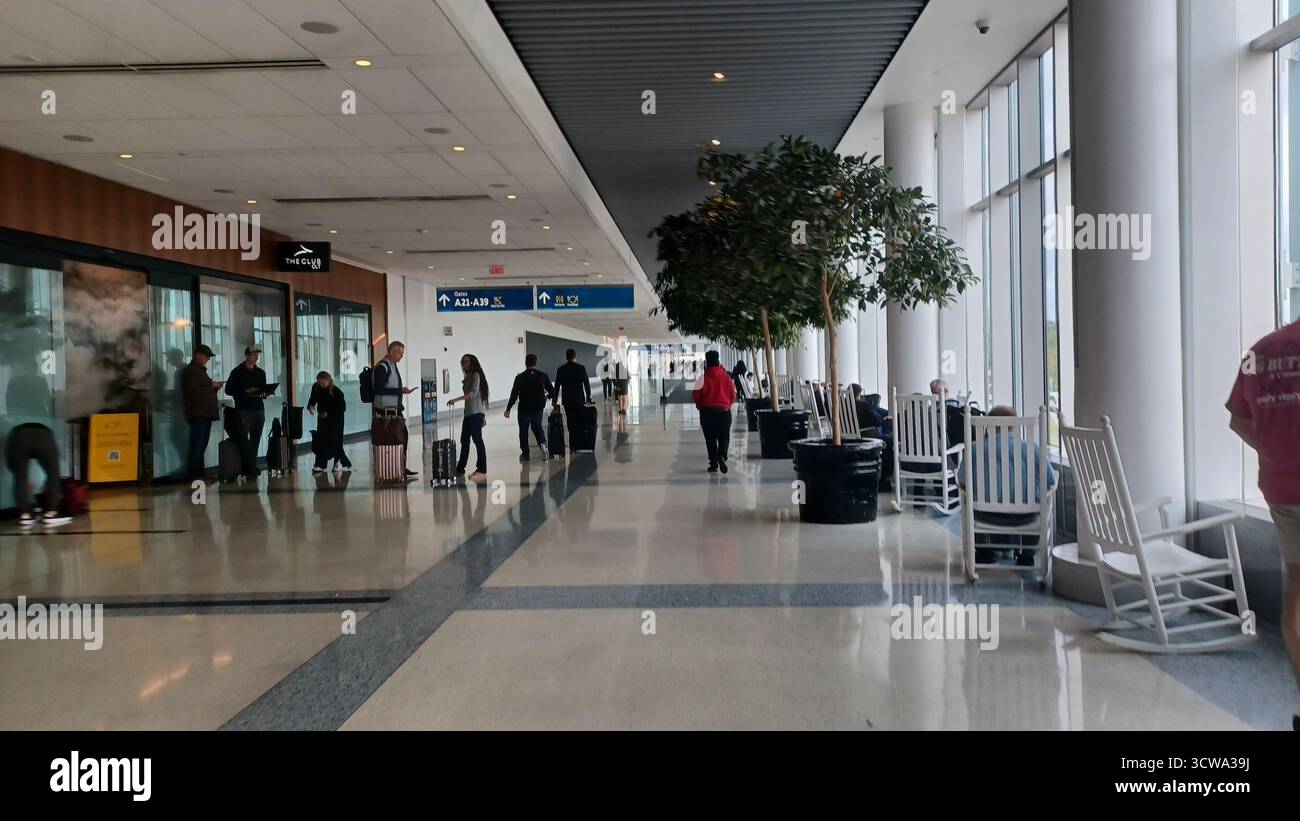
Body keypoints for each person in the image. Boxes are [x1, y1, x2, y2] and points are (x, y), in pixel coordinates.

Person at [1227, 319, 1300, 731]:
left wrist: (1278, 451)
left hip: (1283, 487)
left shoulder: (1261, 350)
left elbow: (1239, 421)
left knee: (1297, 594)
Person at [958, 406, 1055, 566]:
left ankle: (985, 550)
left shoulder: (974, 449)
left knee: (971, 501)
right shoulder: (1033, 448)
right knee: (1037, 502)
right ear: (1015, 425)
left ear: (988, 424)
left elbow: (962, 482)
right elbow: (1050, 481)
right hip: (1026, 517)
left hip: (986, 515)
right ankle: (1027, 554)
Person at [5, 423, 71, 528]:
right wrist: (49, 484)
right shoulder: (46, 434)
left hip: (19, 436)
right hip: (43, 435)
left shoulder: (14, 434)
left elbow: (10, 461)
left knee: (20, 477)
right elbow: (54, 472)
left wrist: (21, 478)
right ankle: (51, 513)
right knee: (53, 473)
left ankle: (25, 515)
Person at [371, 341, 418, 478]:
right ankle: (390, 469)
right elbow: (379, 389)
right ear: (391, 351)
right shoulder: (382, 367)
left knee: (402, 438)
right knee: (391, 440)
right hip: (385, 413)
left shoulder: (393, 365)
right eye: (400, 353)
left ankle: (400, 467)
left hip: (395, 411)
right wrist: (400, 390)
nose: (401, 356)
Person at [180, 344, 223, 482]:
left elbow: (203, 391)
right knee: (197, 446)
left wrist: (214, 387)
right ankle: (194, 477)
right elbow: (193, 393)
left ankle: (199, 475)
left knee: (201, 446)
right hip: (198, 414)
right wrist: (211, 386)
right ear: (197, 354)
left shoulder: (200, 371)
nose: (207, 360)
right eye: (206, 356)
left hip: (205, 413)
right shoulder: (190, 371)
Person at [225, 345, 268, 478]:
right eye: (254, 355)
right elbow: (228, 390)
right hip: (243, 410)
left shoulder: (260, 373)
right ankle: (244, 468)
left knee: (255, 440)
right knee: (243, 441)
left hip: (258, 409)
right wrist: (245, 391)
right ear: (247, 356)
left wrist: (263, 393)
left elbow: (262, 389)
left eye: (257, 356)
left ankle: (250, 468)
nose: (256, 358)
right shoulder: (237, 372)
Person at [694, 350, 737, 473]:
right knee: (724, 437)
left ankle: (713, 464)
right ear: (718, 362)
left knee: (710, 439)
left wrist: (700, 406)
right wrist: (726, 404)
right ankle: (721, 456)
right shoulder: (727, 378)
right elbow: (733, 396)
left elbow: (696, 396)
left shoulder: (701, 379)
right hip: (724, 412)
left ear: (706, 363)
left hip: (707, 413)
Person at [447, 353, 489, 482]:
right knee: (464, 441)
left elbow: (473, 393)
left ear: (472, 362)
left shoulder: (476, 375)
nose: (463, 364)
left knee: (477, 440)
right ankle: (460, 469)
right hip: (469, 414)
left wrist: (455, 399)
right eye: (462, 362)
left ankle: (482, 470)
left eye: (466, 361)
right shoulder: (468, 376)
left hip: (476, 413)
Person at [505, 353, 555, 461]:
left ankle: (525, 454)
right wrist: (546, 397)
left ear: (525, 363)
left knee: (523, 430)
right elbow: (552, 391)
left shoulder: (519, 377)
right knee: (537, 427)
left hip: (524, 408)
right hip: (538, 407)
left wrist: (508, 408)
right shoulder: (543, 375)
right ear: (535, 363)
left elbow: (514, 394)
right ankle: (543, 444)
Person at [307, 370, 351, 473]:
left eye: (323, 383)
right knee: (321, 440)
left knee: (335, 441)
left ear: (328, 381)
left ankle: (338, 462)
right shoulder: (316, 387)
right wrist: (311, 405)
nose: (321, 385)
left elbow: (342, 407)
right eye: (319, 383)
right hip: (322, 418)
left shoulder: (336, 391)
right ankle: (320, 464)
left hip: (336, 419)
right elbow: (313, 398)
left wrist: (329, 413)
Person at [554, 348, 593, 450]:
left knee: (570, 421)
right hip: (579, 400)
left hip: (567, 400)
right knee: (579, 421)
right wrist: (588, 397)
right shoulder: (581, 368)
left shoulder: (561, 369)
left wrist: (554, 400)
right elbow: (586, 384)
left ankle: (572, 445)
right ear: (575, 357)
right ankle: (578, 443)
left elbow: (557, 386)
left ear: (566, 357)